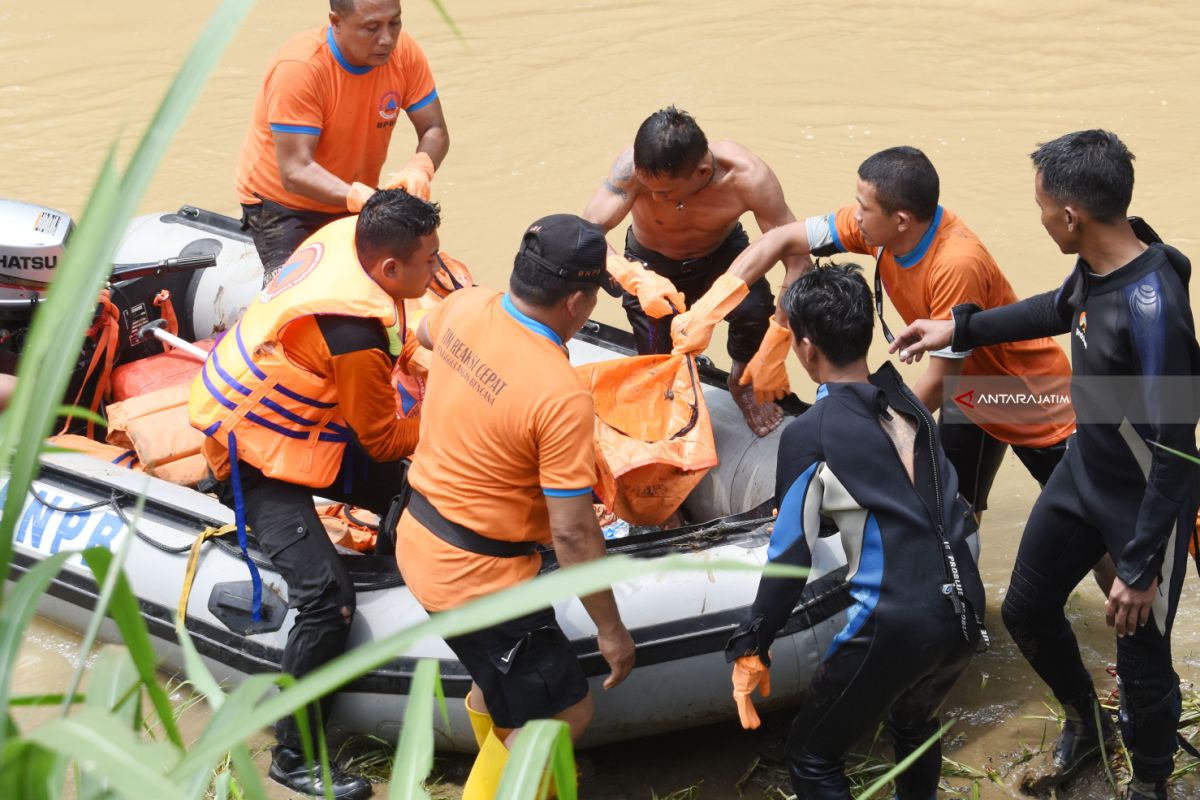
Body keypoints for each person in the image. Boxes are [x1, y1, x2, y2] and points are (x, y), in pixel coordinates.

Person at [889, 130, 1200, 800]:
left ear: (1070, 216)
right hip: (1085, 474)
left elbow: (1178, 448)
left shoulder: (1154, 309)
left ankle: (1150, 786)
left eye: (1040, 205)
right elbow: (1060, 310)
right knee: (1029, 609)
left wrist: (1141, 566)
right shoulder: (1099, 260)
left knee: (1142, 659)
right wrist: (959, 328)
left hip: (1145, 503)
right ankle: (1088, 725)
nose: (1037, 216)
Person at [190, 189, 442, 800]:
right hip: (253, 457)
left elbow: (396, 346)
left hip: (301, 429)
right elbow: (383, 440)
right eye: (430, 262)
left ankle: (393, 564)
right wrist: (446, 412)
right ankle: (294, 759)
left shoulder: (351, 240)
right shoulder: (352, 328)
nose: (437, 271)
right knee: (327, 598)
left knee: (414, 481)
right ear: (389, 268)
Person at [674, 146, 1075, 524]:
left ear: (900, 219)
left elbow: (940, 378)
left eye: (864, 207)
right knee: (956, 508)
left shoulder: (955, 263)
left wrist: (872, 431)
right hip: (969, 395)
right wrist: (712, 306)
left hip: (1026, 395)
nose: (856, 215)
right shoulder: (878, 229)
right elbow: (780, 238)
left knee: (1083, 519)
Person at [395, 214, 636, 799]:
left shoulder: (467, 306)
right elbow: (575, 536)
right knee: (568, 713)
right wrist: (611, 629)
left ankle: (527, 780)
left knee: (496, 690)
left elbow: (423, 339)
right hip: (479, 579)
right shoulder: (559, 394)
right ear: (578, 302)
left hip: (418, 541)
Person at [727, 263, 987, 799]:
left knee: (812, 756)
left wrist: (753, 644)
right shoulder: (907, 402)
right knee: (913, 727)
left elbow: (791, 555)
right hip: (964, 607)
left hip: (894, 624)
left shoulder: (811, 431)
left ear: (804, 347)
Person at [583, 106, 810, 437]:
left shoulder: (748, 177)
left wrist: (777, 341)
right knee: (653, 338)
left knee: (754, 309)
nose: (654, 197)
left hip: (721, 255)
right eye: (648, 189)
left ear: (703, 172)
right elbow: (588, 229)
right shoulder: (632, 168)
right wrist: (630, 275)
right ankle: (663, 388)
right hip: (651, 261)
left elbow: (798, 260)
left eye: (665, 192)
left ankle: (742, 381)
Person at [235, 0, 450, 281]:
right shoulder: (301, 67)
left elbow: (435, 129)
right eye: (371, 28)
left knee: (414, 274)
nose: (386, 39)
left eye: (395, 23)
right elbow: (295, 172)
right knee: (300, 294)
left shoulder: (403, 52)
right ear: (336, 22)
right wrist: (360, 197)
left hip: (359, 196)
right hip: (284, 205)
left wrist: (420, 168)